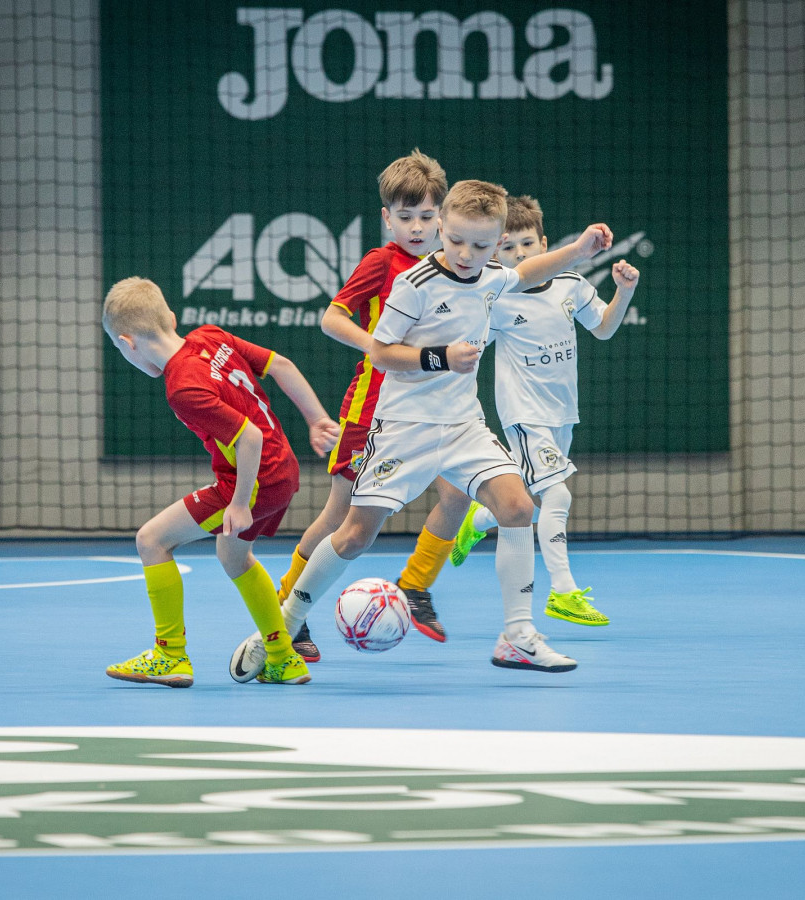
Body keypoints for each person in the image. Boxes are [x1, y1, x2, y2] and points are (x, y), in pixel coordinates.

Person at [230, 180, 614, 680]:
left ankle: (517, 637)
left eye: (480, 245)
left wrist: (580, 250)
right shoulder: (415, 283)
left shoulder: (492, 276)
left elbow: (524, 272)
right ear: (442, 229)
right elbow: (380, 352)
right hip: (403, 428)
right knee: (354, 535)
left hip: (463, 426)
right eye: (455, 240)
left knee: (518, 507)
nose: (466, 254)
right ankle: (280, 627)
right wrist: (442, 357)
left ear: (497, 242)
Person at [282, 148, 473, 660]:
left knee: (458, 492)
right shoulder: (382, 263)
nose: (417, 227)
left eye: (427, 216)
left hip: (436, 409)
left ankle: (415, 586)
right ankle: (286, 607)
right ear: (387, 218)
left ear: (443, 218)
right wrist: (382, 350)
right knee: (340, 516)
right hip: (373, 409)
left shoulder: (452, 266)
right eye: (405, 217)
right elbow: (332, 318)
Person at [101, 276, 339, 687]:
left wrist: (240, 503)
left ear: (127, 343)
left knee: (151, 540)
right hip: (282, 469)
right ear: (171, 318)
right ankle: (283, 658)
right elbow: (282, 365)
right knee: (233, 557)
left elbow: (249, 438)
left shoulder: (183, 387)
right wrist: (317, 418)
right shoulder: (210, 336)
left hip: (254, 478)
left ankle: (170, 655)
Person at [449, 196, 640, 628]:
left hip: (563, 413)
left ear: (545, 244)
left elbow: (604, 328)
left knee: (533, 500)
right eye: (508, 247)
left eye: (527, 244)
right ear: (495, 254)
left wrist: (624, 291)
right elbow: (468, 347)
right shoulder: (496, 299)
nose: (520, 254)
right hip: (524, 414)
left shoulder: (571, 284)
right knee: (558, 495)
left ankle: (480, 519)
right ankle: (563, 592)